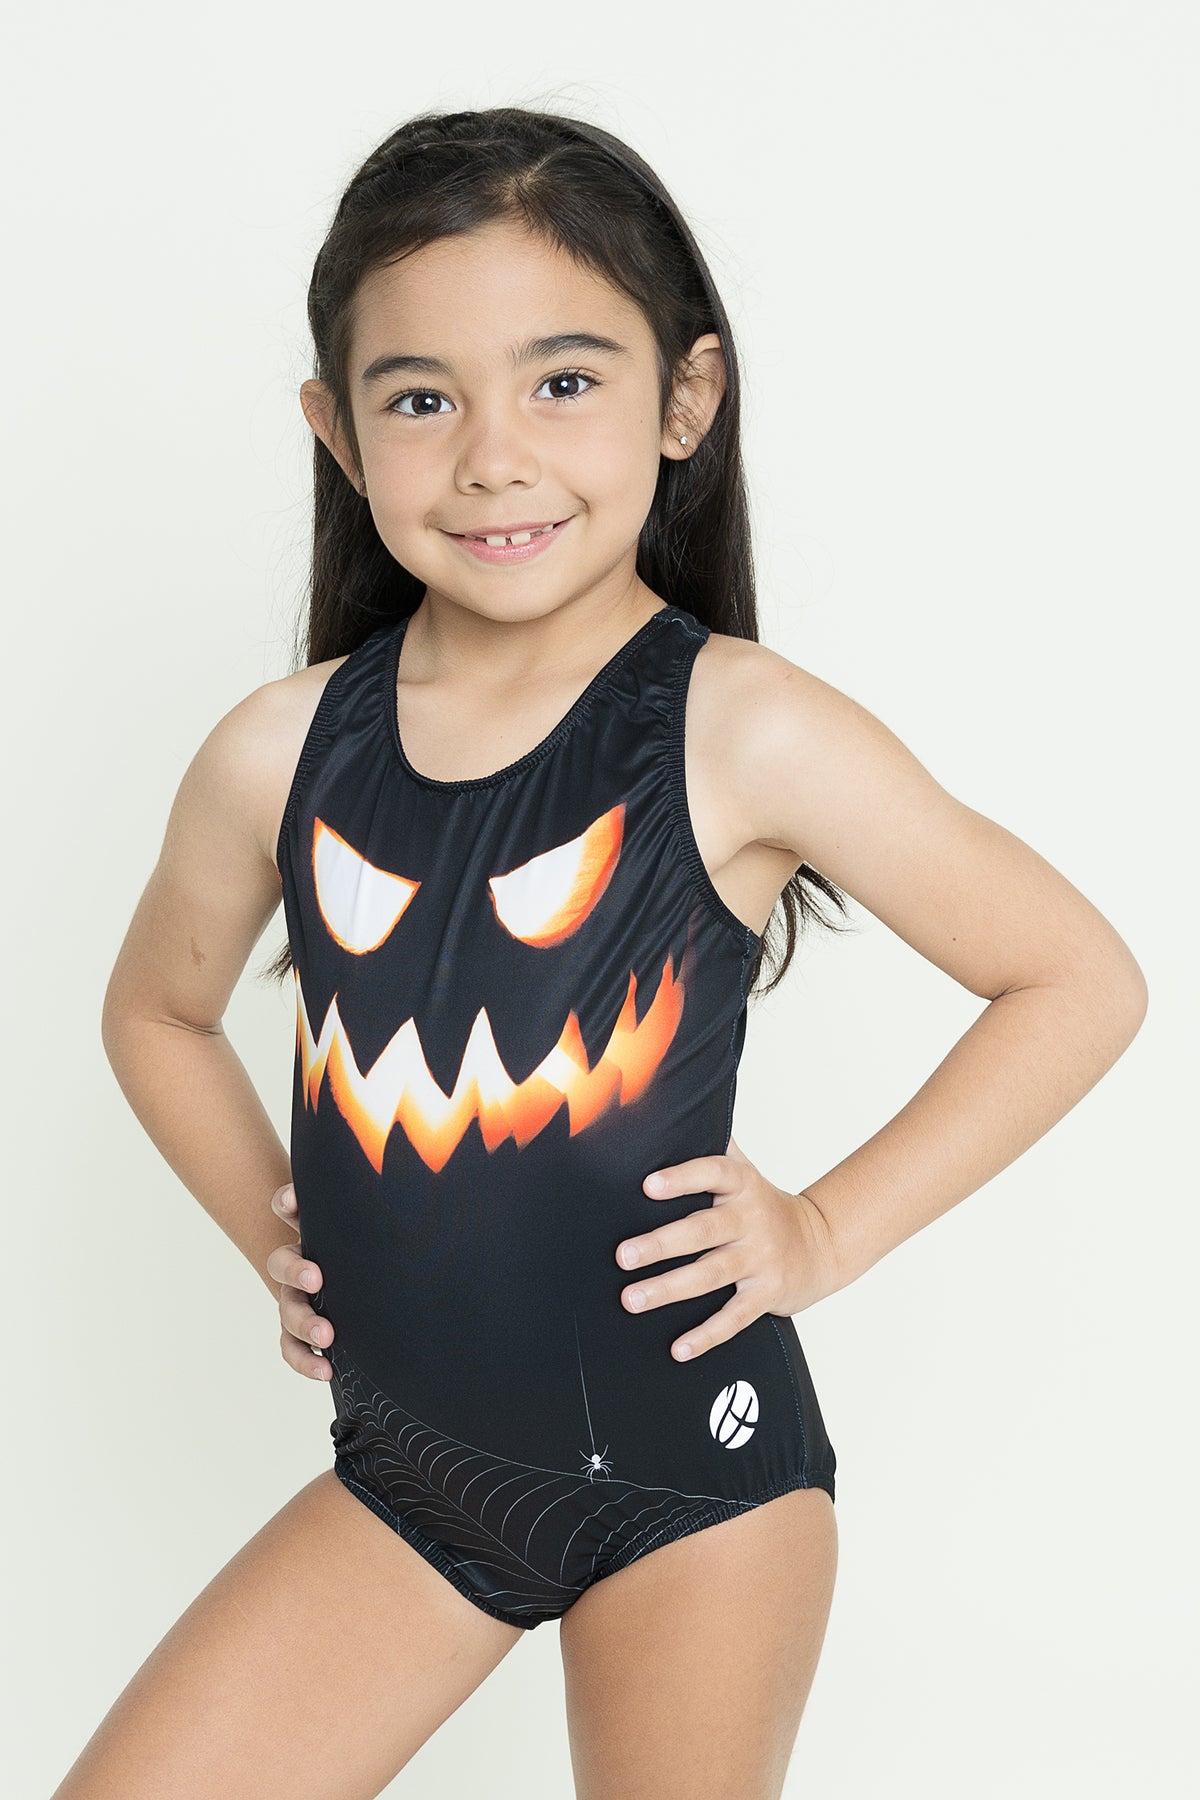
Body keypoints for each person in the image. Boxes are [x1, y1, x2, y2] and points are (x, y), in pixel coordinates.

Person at [55, 106, 1148, 1800]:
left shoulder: (741, 728)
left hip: (694, 1481)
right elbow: (155, 1012)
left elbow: (1077, 979)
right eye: (422, 399)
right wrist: (274, 1226)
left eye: (562, 381)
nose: (495, 457)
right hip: (410, 1478)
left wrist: (823, 1230)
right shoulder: (276, 754)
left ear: (684, 400)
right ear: (335, 430)